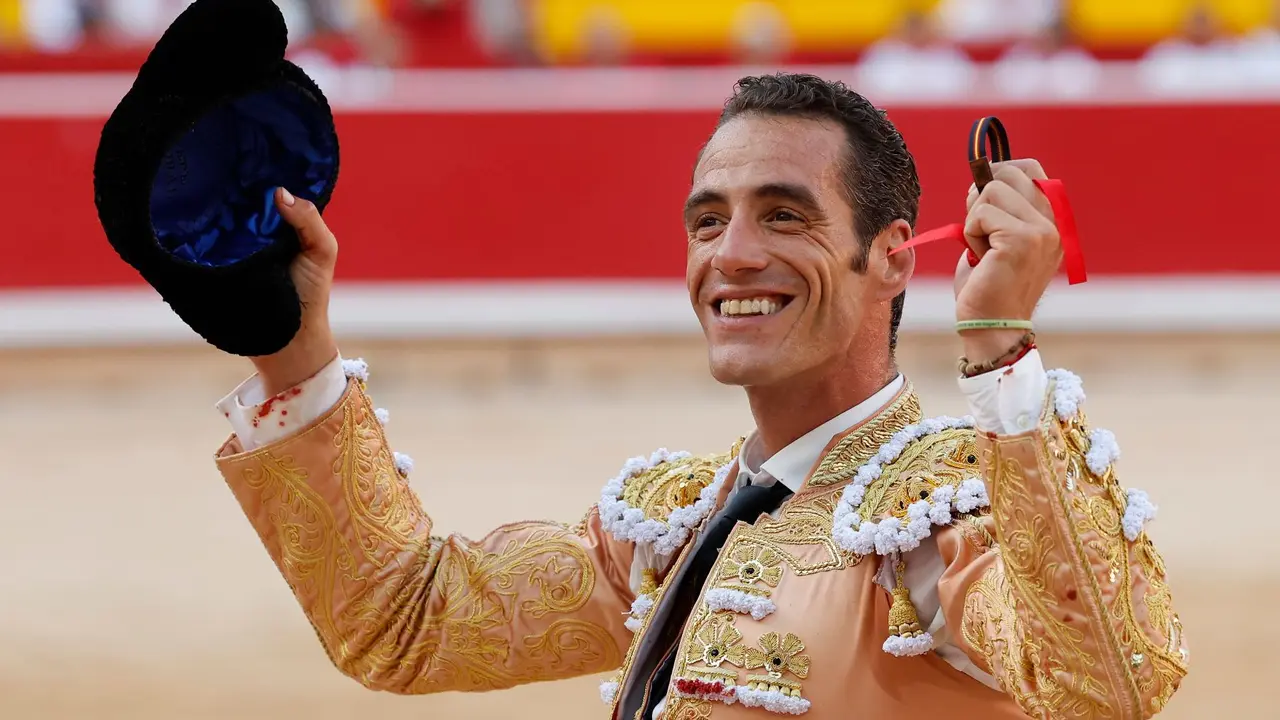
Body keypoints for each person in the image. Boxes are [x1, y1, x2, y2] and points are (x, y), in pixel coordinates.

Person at [211, 73, 1188, 718]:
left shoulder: (940, 517)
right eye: (707, 220)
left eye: (784, 215)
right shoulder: (669, 522)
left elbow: (1106, 684)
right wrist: (297, 356)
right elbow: (404, 624)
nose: (732, 255)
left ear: (893, 257)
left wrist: (997, 345)